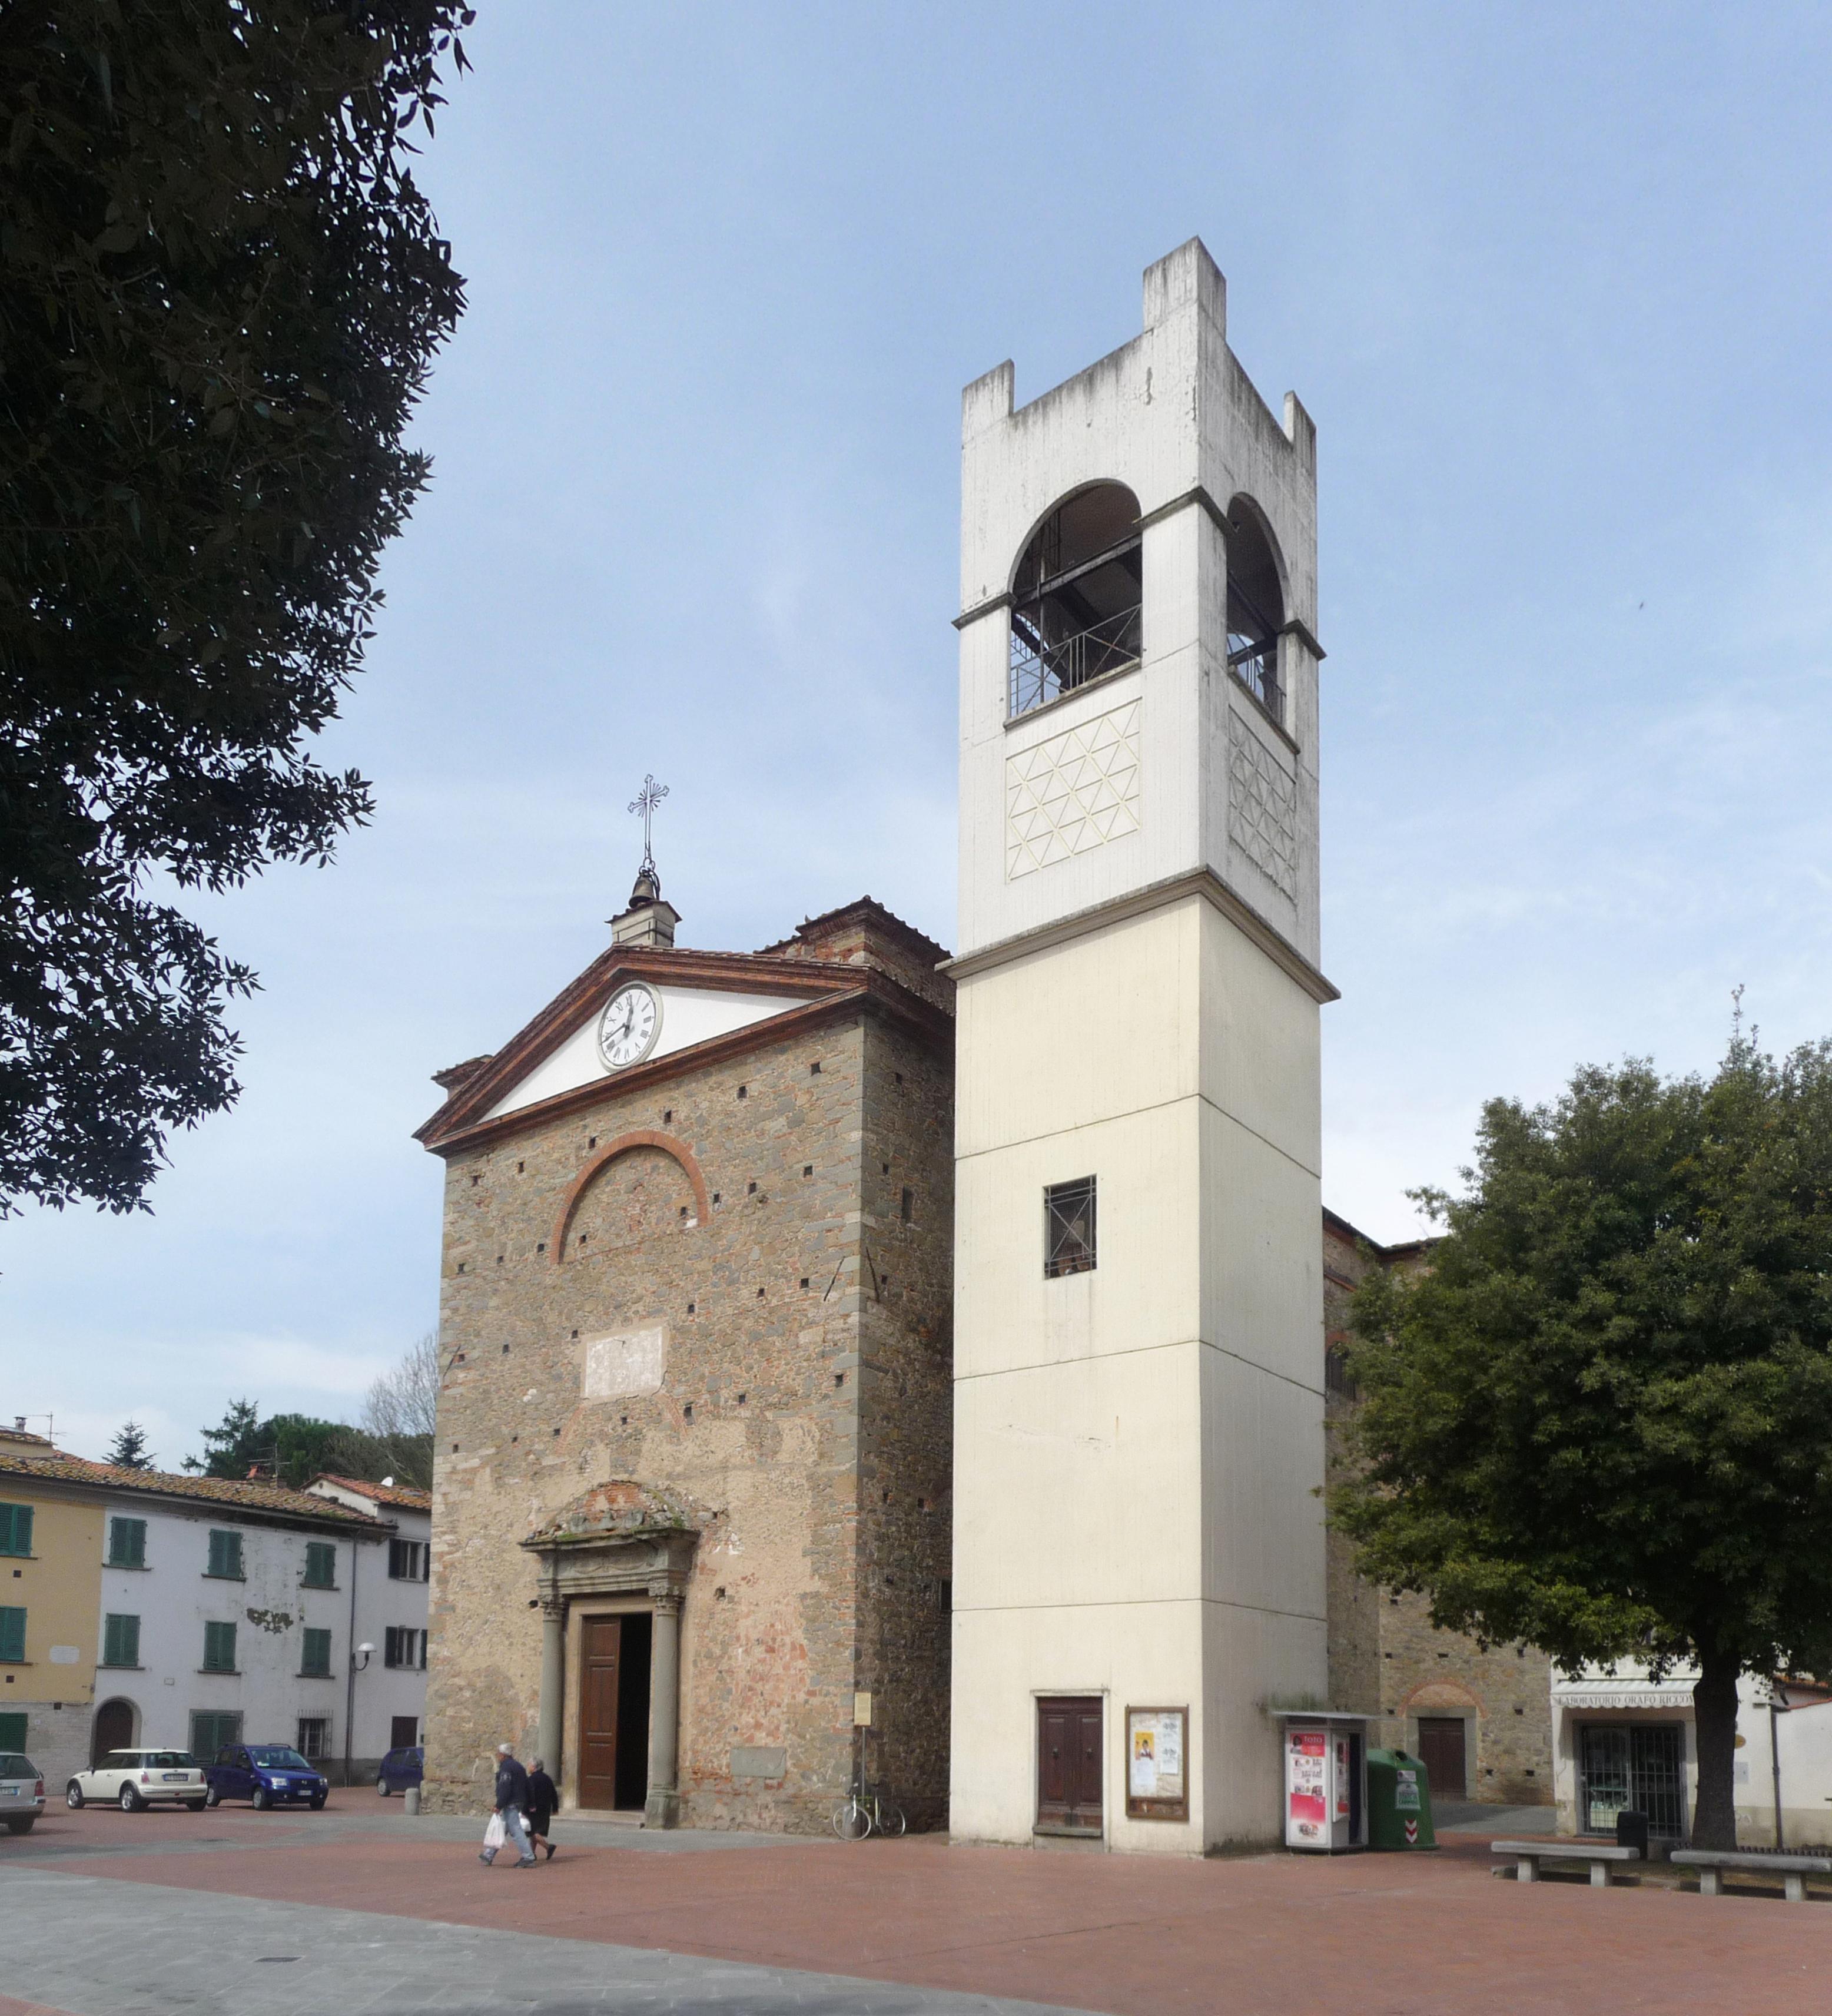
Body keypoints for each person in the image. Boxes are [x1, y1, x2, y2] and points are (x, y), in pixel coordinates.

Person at [479, 1742, 536, 1868]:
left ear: (503, 1755)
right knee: (503, 1827)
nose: (498, 1757)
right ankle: (488, 1855)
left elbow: (505, 1787)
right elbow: (528, 1786)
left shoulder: (506, 1768)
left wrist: (499, 1805)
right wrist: (531, 1803)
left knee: (516, 1830)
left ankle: (528, 1857)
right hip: (518, 1801)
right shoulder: (519, 1767)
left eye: (499, 1754)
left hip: (510, 1802)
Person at [525, 1757, 559, 1860]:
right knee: (535, 1831)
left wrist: (525, 1809)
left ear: (534, 1767)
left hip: (534, 1810)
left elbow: (529, 1796)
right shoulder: (547, 1778)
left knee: (533, 1832)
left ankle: (548, 1847)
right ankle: (532, 1853)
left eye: (529, 1765)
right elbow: (554, 1794)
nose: (528, 1767)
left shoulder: (531, 1780)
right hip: (545, 1809)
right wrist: (555, 1808)